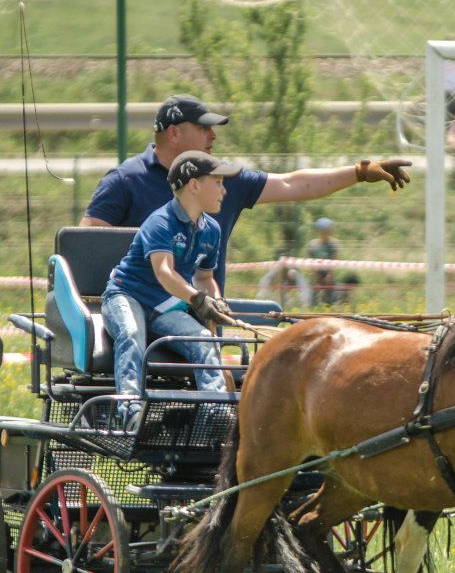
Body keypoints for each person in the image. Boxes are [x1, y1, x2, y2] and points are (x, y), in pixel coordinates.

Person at [82, 93, 411, 296]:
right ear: (174, 133)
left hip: (204, 330)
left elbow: (292, 184)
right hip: (142, 329)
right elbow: (87, 252)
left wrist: (358, 172)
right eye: (204, 128)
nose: (213, 135)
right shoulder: (125, 180)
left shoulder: (221, 179)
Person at [101, 150, 240, 428]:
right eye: (218, 182)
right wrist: (198, 300)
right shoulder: (160, 221)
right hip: (125, 296)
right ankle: (129, 411)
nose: (224, 190)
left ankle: (214, 413)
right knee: (131, 333)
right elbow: (164, 273)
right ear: (194, 184)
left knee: (204, 339)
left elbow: (203, 278)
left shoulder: (211, 229)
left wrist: (217, 301)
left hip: (164, 306)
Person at [305, 216, 340, 304]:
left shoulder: (333, 244)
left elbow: (334, 260)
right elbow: (311, 261)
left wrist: (329, 275)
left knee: (330, 298)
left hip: (329, 273)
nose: (326, 232)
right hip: (316, 273)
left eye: (328, 230)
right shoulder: (312, 245)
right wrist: (316, 276)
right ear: (318, 231)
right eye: (324, 230)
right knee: (313, 297)